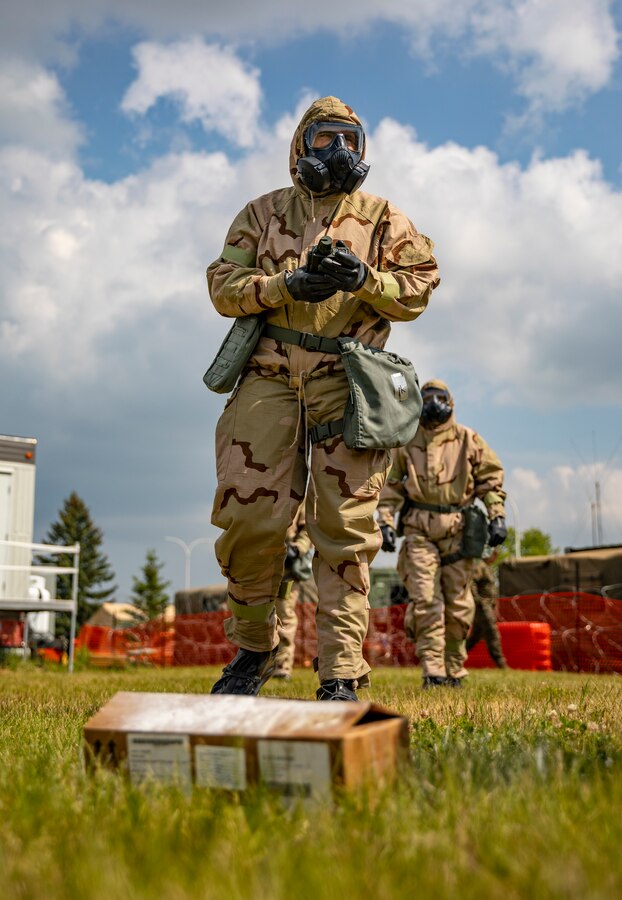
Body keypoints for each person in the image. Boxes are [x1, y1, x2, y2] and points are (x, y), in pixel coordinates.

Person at [206, 96, 439, 700]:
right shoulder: (261, 214)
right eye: (323, 140)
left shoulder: (385, 218)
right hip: (268, 377)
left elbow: (420, 286)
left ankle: (340, 673)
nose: (337, 152)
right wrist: (282, 285)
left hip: (349, 381)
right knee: (249, 520)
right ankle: (255, 647)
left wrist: (367, 280)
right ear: (298, 146)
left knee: (346, 529)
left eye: (350, 142)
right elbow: (222, 286)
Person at [376, 379, 507, 688]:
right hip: (419, 530)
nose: (434, 402)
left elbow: (490, 480)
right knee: (426, 599)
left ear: (451, 402)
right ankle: (433, 670)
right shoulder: (407, 441)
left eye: (440, 397)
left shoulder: (468, 440)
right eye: (428, 397)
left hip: (459, 532)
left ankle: (454, 669)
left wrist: (497, 516)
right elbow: (391, 485)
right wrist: (384, 521)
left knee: (460, 604)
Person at [272, 508, 316, 680]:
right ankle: (256, 665)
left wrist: (298, 548)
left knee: (284, 615)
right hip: (260, 565)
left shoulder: (300, 496)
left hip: (287, 571)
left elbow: (308, 528)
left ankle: (281, 666)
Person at [466, 551, 508, 668]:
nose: (495, 558)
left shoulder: (487, 568)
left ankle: (455, 657)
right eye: (494, 555)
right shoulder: (480, 566)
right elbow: (472, 583)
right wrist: (478, 600)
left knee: (475, 637)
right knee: (492, 633)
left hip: (487, 606)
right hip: (483, 607)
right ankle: (501, 663)